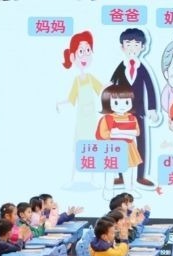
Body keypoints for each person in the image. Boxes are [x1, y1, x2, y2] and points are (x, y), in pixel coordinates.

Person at [109, 27, 159, 188]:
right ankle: (120, 175)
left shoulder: (141, 68)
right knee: (119, 143)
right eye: (128, 44)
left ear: (142, 47)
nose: (132, 48)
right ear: (122, 47)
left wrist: (152, 109)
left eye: (136, 44)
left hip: (139, 112)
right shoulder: (121, 67)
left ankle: (140, 176)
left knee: (141, 143)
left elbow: (150, 88)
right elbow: (111, 85)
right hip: (120, 112)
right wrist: (109, 106)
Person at [57, 30, 103, 188]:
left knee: (92, 148)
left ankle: (93, 179)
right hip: (81, 120)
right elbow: (71, 99)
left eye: (88, 50)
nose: (85, 55)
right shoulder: (77, 80)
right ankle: (72, 179)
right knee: (78, 149)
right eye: (81, 51)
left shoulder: (91, 78)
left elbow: (101, 89)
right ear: (73, 56)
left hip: (92, 120)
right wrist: (60, 103)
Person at [96, 84, 144, 194]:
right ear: (107, 102)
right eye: (116, 103)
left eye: (126, 102)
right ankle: (108, 190)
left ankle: (129, 190)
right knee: (111, 170)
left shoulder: (132, 117)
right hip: (113, 149)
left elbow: (137, 131)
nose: (122, 106)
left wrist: (126, 132)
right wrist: (114, 133)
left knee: (128, 170)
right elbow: (102, 134)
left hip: (129, 148)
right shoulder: (107, 118)